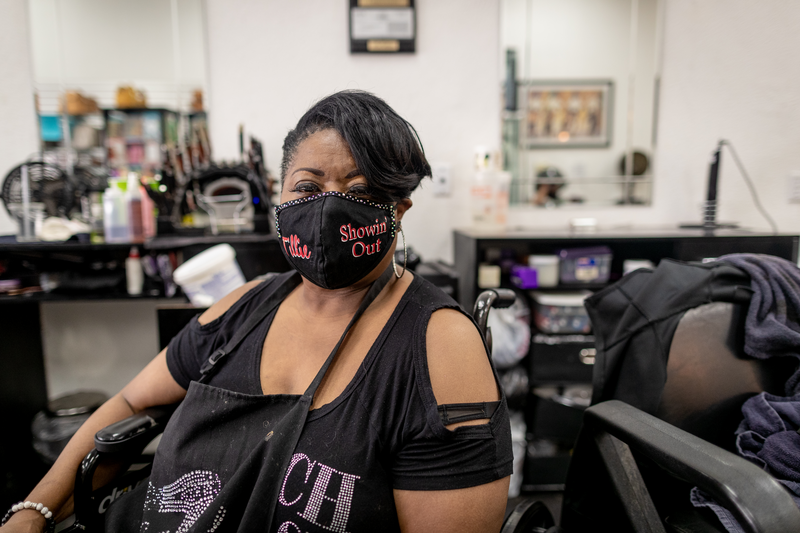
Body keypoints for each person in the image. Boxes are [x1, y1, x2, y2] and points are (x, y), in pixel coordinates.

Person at [1, 91, 513, 533]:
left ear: (398, 210)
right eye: (308, 188)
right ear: (279, 195)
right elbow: (133, 400)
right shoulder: (245, 305)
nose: (328, 209)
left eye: (359, 193)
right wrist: (35, 508)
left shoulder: (439, 346)